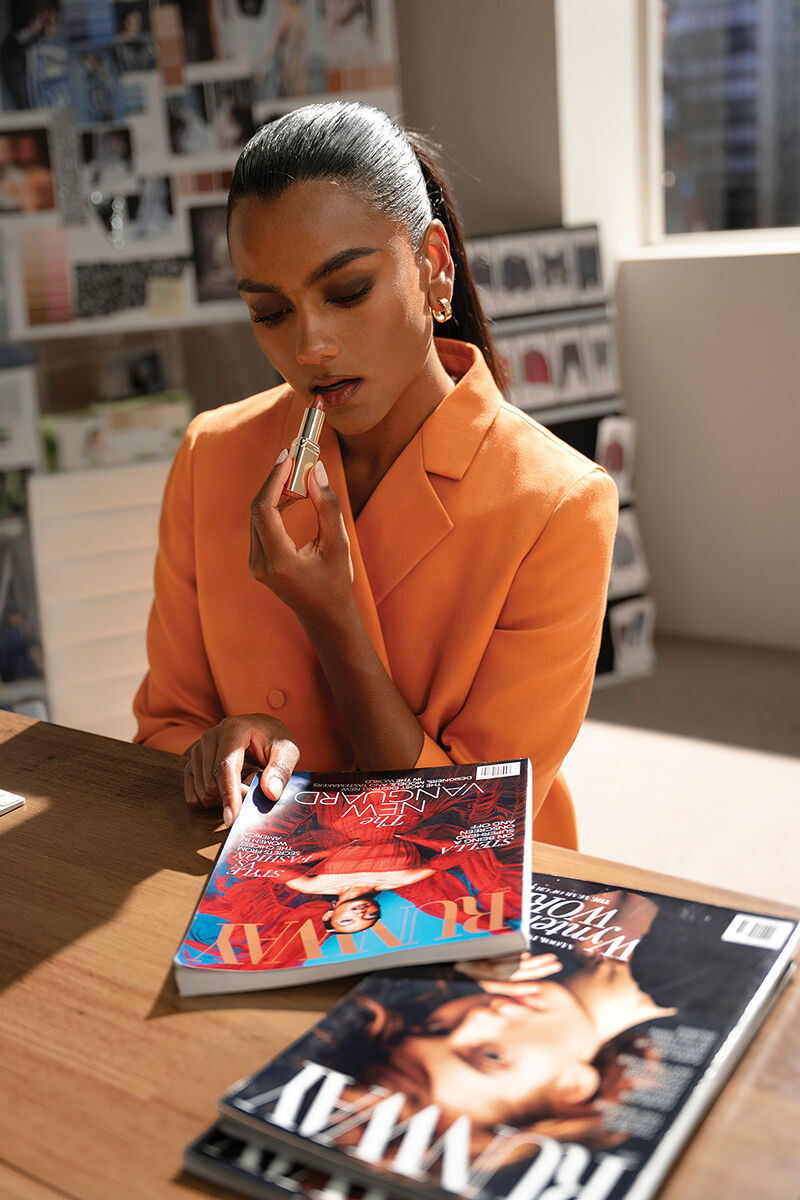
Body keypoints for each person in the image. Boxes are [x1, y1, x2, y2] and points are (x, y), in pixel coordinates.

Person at [133, 101, 618, 848]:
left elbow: (470, 827)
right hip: (246, 886)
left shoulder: (559, 504)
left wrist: (333, 622)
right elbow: (166, 727)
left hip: (464, 905)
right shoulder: (212, 455)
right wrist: (218, 749)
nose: (311, 345)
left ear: (433, 265)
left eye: (348, 291)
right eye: (270, 312)